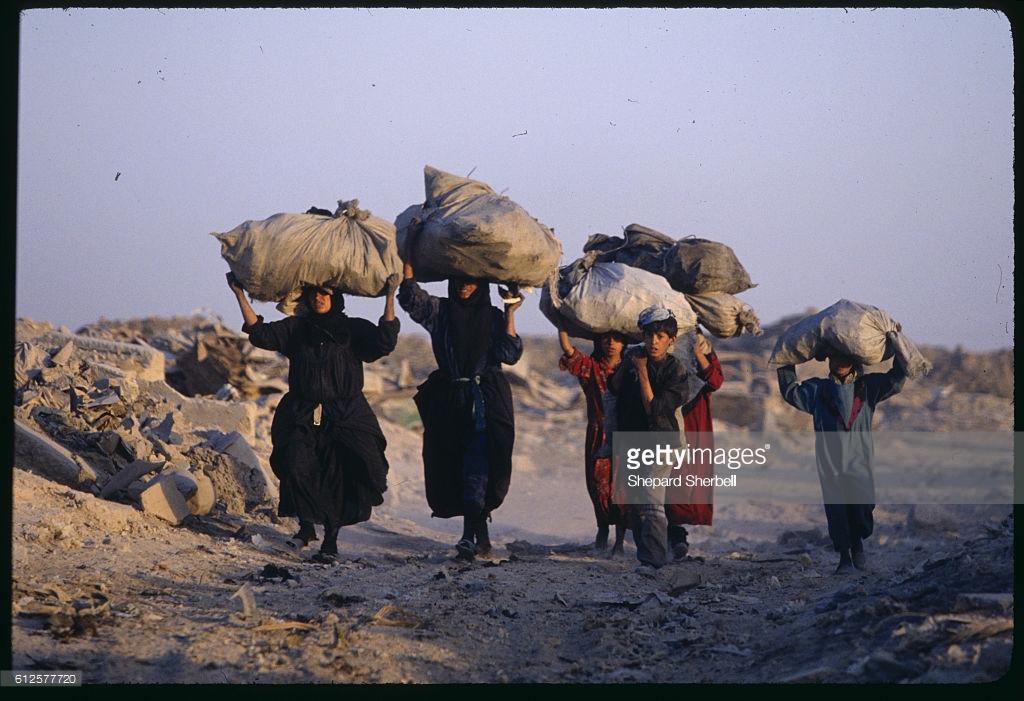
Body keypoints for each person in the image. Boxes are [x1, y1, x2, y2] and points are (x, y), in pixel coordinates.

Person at [226, 271, 400, 563]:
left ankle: (330, 540)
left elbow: (384, 342)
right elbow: (261, 334)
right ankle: (306, 528)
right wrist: (239, 294)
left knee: (339, 473)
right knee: (294, 463)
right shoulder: (297, 328)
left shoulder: (352, 330)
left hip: (344, 412)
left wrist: (390, 295)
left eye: (325, 293)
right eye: (314, 294)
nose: (319, 298)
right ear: (307, 298)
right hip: (302, 411)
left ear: (335, 297)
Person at [397, 219, 524, 561]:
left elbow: (509, 354)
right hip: (451, 403)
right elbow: (410, 297)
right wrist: (410, 249)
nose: (465, 287)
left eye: (471, 281)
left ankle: (469, 537)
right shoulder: (440, 314)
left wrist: (511, 312)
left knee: (479, 465)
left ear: (481, 283)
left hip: (487, 402)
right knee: (455, 465)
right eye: (459, 280)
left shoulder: (494, 318)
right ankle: (480, 537)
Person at [776, 339, 908, 574]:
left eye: (845, 357)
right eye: (835, 357)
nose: (839, 362)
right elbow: (790, 391)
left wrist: (898, 347)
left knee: (862, 505)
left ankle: (858, 545)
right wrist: (786, 358)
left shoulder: (868, 387)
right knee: (837, 508)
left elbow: (896, 380)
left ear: (855, 360)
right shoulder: (817, 390)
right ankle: (845, 557)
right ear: (828, 360)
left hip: (859, 458)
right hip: (831, 459)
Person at [609, 305, 688, 570]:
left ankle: (653, 561)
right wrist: (627, 364)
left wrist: (642, 372)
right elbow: (614, 389)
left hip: (662, 442)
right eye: (649, 335)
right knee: (635, 502)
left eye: (660, 336)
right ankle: (649, 555)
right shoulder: (633, 359)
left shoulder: (675, 371)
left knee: (652, 498)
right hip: (632, 441)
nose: (653, 342)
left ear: (671, 340)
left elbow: (655, 409)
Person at [558, 325, 630, 555]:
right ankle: (602, 530)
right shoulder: (592, 367)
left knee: (624, 488)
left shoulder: (633, 369)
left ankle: (620, 539)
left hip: (626, 434)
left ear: (624, 343)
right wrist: (562, 323)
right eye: (606, 339)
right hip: (599, 433)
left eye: (617, 339)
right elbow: (569, 351)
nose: (611, 343)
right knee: (598, 485)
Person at [665, 329, 724, 560]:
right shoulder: (657, 348)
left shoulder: (702, 348)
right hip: (665, 421)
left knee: (685, 481)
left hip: (693, 423)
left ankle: (676, 535)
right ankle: (669, 535)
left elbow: (715, 380)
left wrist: (697, 352)